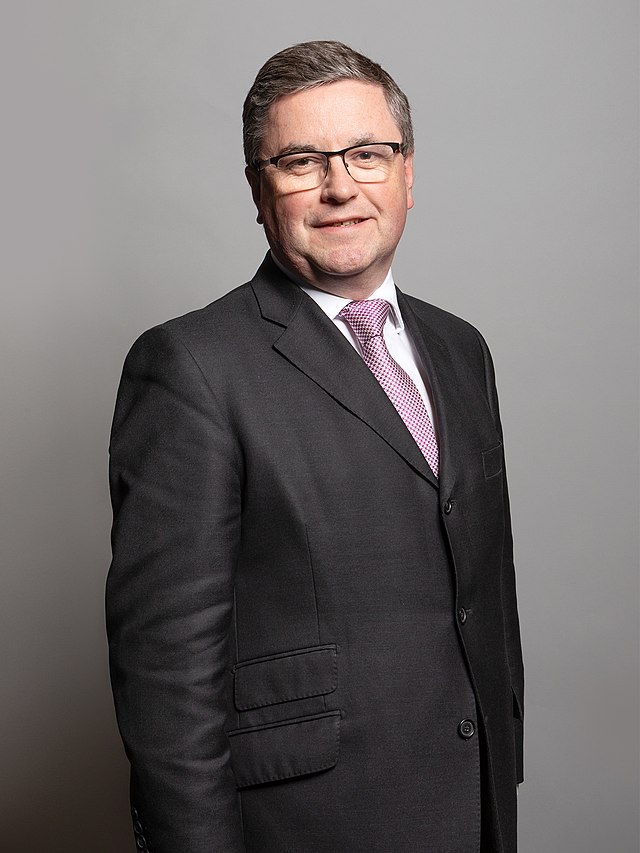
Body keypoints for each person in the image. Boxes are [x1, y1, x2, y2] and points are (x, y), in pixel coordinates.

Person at [106, 40, 524, 853]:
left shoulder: (460, 348)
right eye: (302, 162)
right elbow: (165, 676)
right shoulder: (190, 367)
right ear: (258, 190)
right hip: (309, 824)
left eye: (367, 154)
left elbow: (485, 591)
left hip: (472, 805)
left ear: (407, 173)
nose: (340, 187)